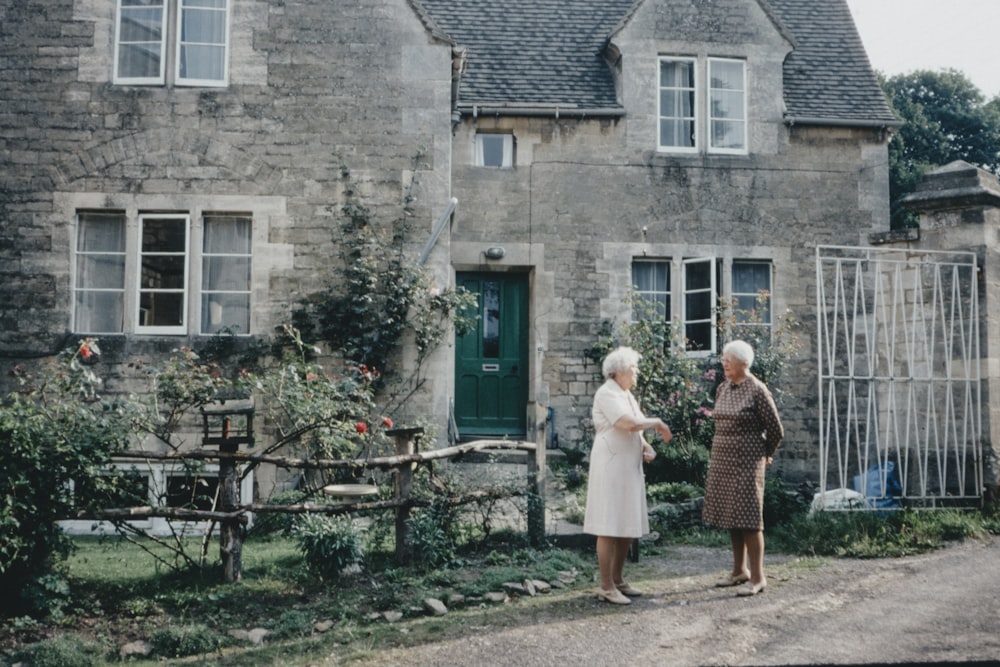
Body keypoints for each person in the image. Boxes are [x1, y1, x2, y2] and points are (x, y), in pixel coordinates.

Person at [583, 346, 672, 605]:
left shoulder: (626, 394)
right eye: (634, 369)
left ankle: (619, 579)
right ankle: (606, 585)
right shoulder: (606, 393)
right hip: (611, 466)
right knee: (609, 524)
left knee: (626, 524)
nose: (637, 373)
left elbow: (636, 428)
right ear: (619, 371)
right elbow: (627, 423)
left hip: (628, 467)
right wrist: (657, 422)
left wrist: (645, 445)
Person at [702, 339, 784, 596]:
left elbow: (776, 430)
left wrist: (765, 454)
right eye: (724, 359)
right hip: (723, 460)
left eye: (729, 359)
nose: (724, 363)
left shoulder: (758, 390)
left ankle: (758, 578)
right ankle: (739, 571)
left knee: (749, 519)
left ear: (744, 363)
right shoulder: (723, 387)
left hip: (748, 461)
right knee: (732, 516)